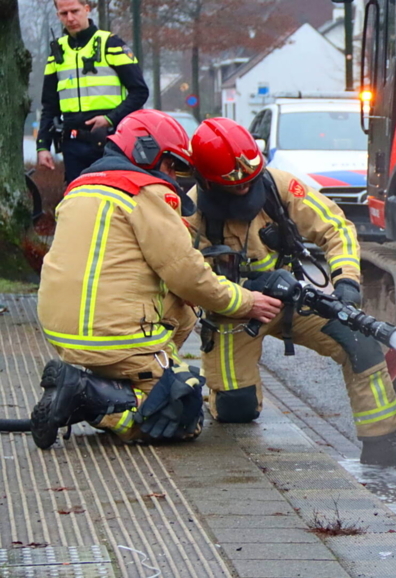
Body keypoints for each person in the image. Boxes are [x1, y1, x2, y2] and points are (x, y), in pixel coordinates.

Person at [31, 110, 282, 449]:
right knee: (181, 415)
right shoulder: (145, 192)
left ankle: (109, 385)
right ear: (146, 152)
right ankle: (88, 396)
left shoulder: (80, 187)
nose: (175, 177)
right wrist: (247, 301)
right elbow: (188, 275)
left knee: (184, 311)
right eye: (172, 165)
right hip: (112, 339)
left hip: (61, 332)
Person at [187, 117, 396, 470]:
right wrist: (244, 296)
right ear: (208, 181)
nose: (245, 190)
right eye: (236, 186)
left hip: (291, 301)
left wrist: (346, 281)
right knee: (237, 410)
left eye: (250, 181)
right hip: (231, 312)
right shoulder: (188, 213)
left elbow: (335, 227)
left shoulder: (278, 187)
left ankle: (381, 442)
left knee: (359, 343)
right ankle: (225, 396)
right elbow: (188, 277)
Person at [36, 0, 149, 184]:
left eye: (75, 11)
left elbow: (139, 92)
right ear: (58, 15)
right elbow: (49, 105)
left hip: (111, 141)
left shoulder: (111, 44)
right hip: (72, 143)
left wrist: (109, 118)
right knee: (77, 201)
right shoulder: (58, 51)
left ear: (87, 9)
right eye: (64, 14)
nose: (70, 18)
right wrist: (43, 146)